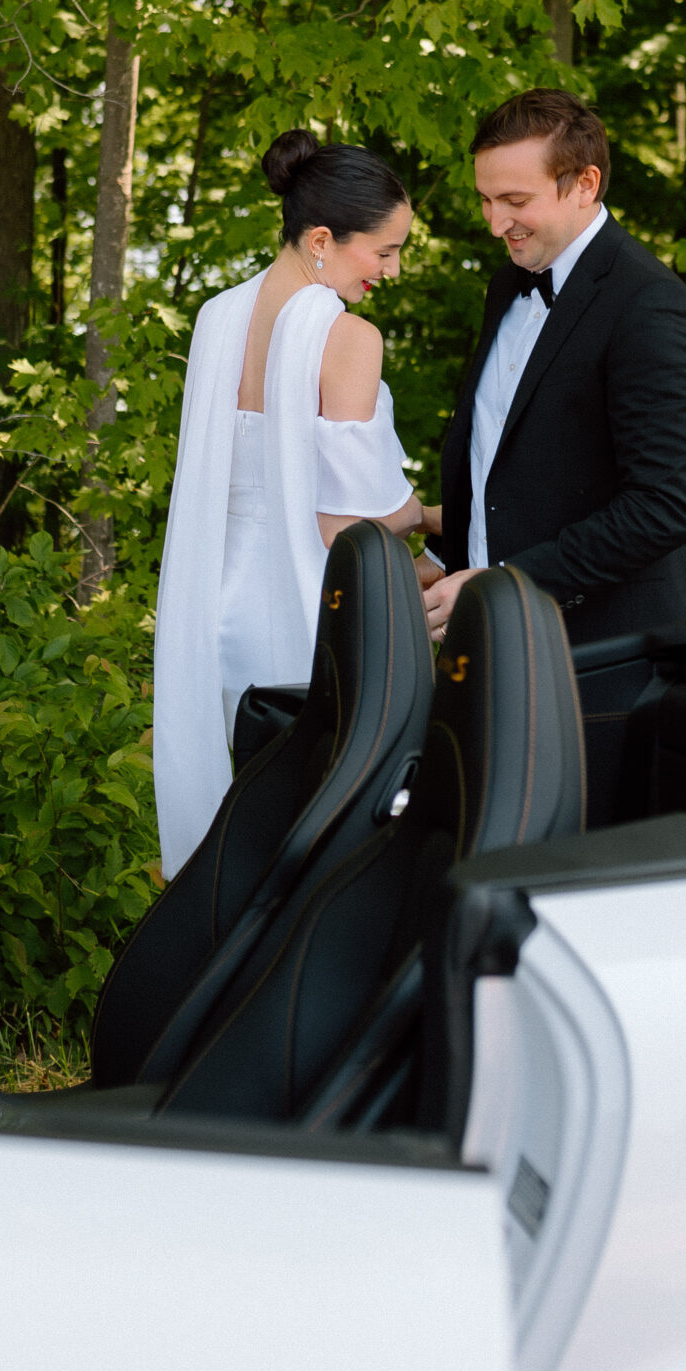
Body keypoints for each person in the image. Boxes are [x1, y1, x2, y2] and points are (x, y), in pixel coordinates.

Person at [152, 130, 437, 876]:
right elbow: (345, 517)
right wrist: (429, 517)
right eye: (383, 250)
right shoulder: (345, 337)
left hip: (212, 603)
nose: (392, 269)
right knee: (312, 821)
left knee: (235, 820)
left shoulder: (217, 317)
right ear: (321, 239)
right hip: (297, 602)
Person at [423, 90, 686, 804]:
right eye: (486, 200)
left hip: (596, 673)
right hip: (492, 654)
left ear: (583, 183)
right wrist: (445, 555)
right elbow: (505, 460)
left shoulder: (650, 305)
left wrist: (507, 583)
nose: (495, 223)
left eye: (514, 199)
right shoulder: (507, 286)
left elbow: (662, 508)